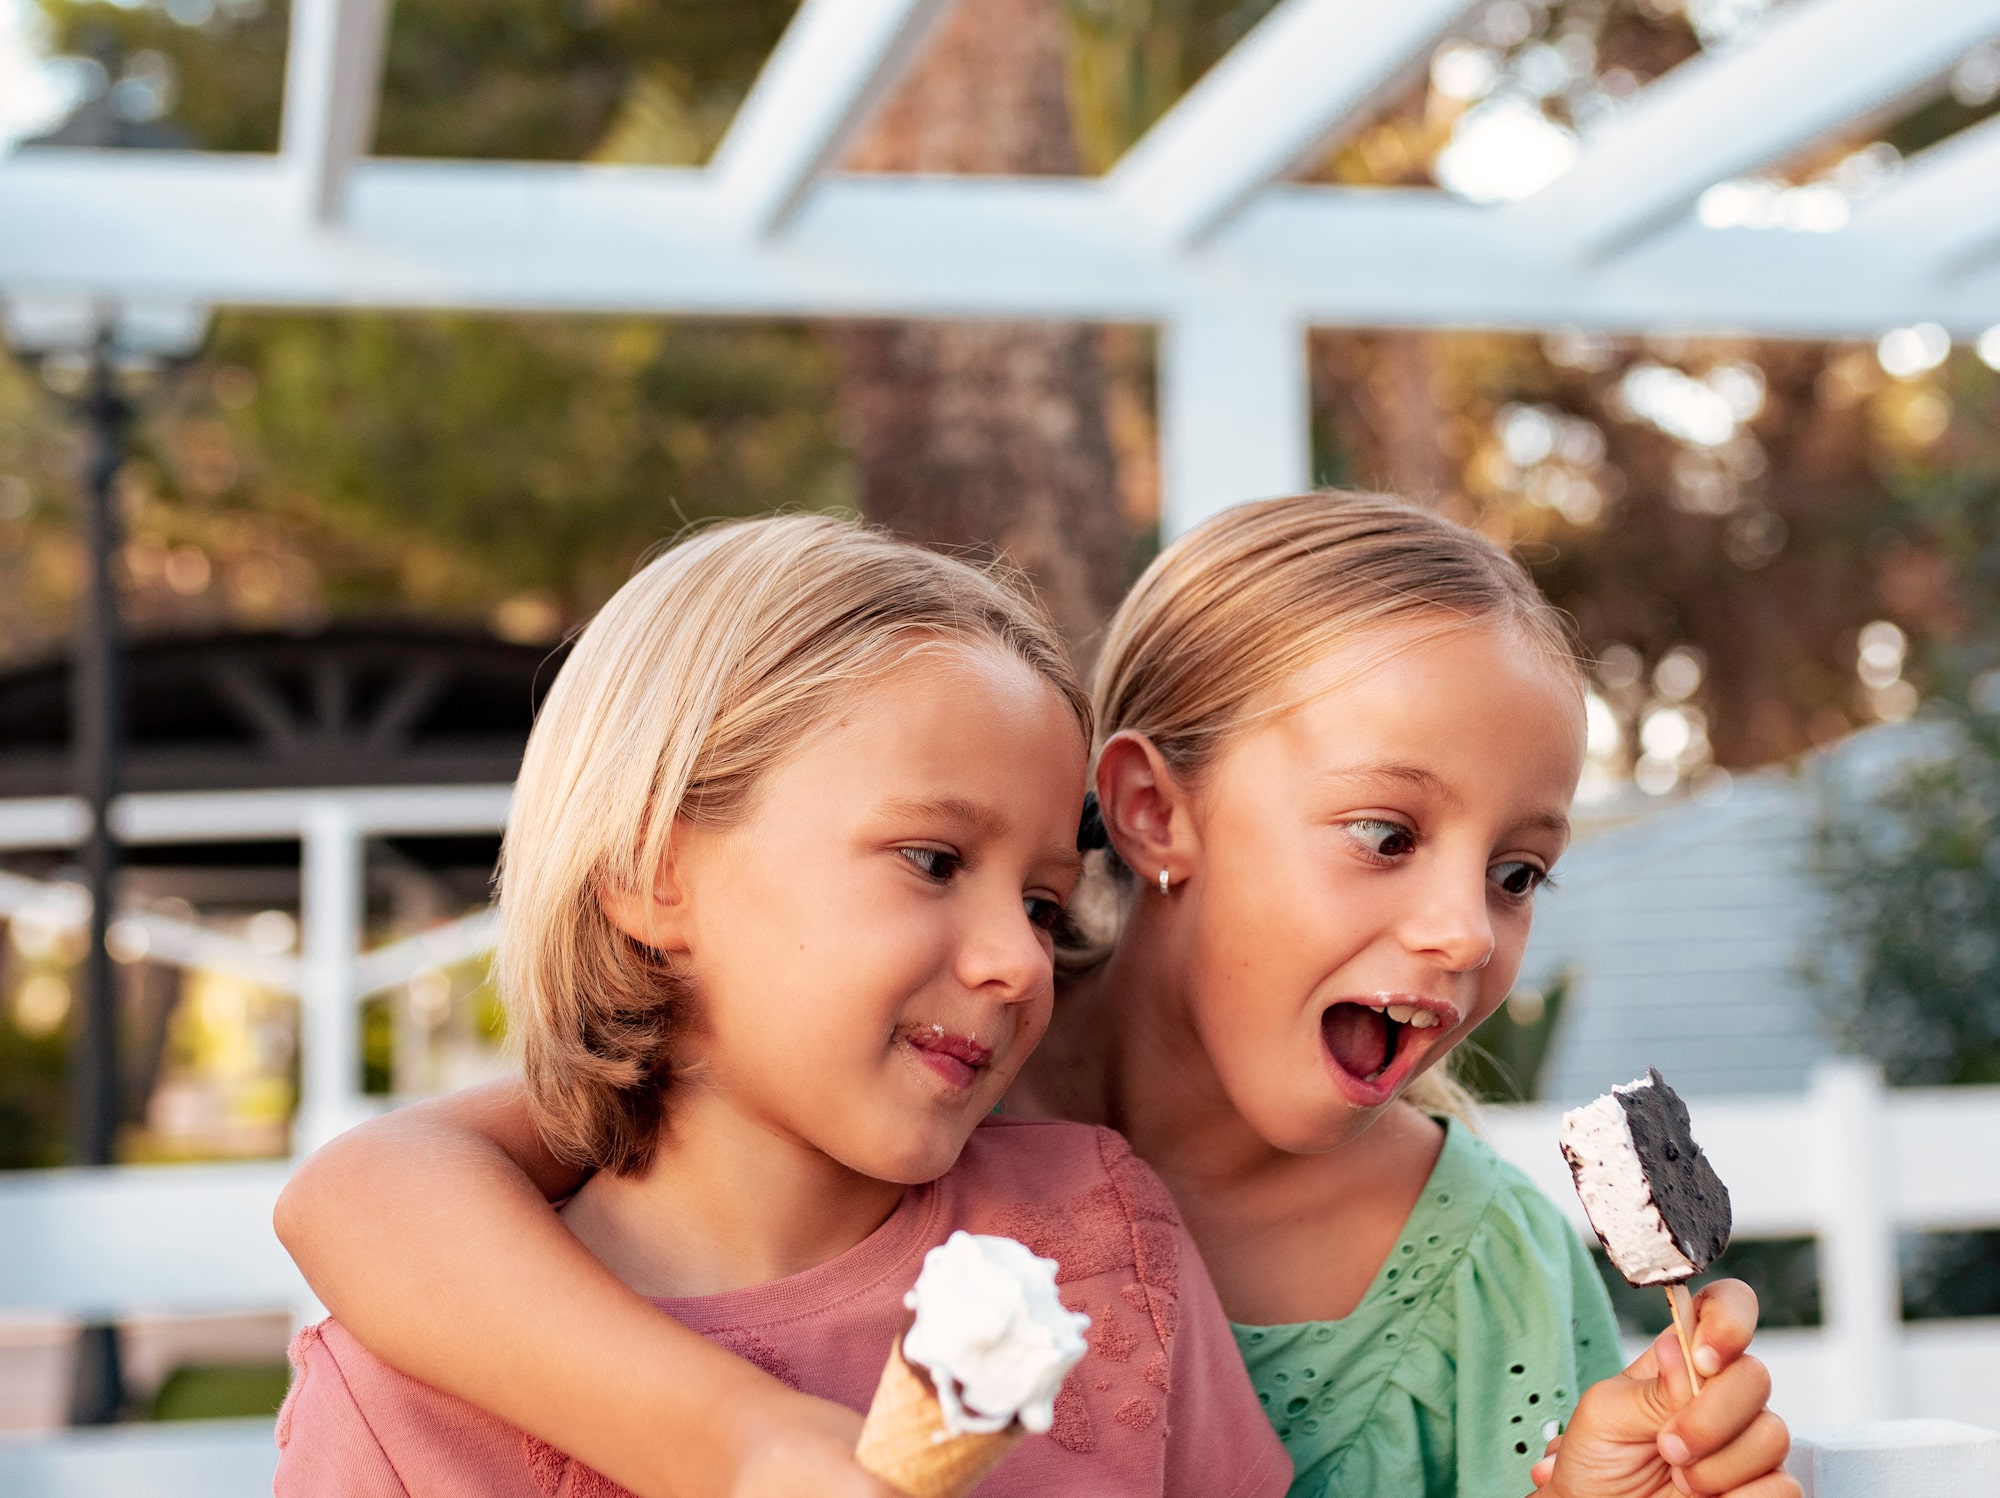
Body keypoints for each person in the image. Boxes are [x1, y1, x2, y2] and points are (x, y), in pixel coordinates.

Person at [276, 494, 1797, 1498]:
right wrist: (747, 1445)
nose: (1464, 931)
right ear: (1148, 808)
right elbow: (371, 1193)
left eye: (1523, 873)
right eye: (1386, 834)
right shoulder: (908, 1068)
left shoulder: (1132, 1228)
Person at [273, 514, 1293, 1498]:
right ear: (649, 873)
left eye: (1041, 903)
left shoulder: (1102, 1238)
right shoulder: (398, 1401)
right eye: (932, 860)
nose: (1020, 961)